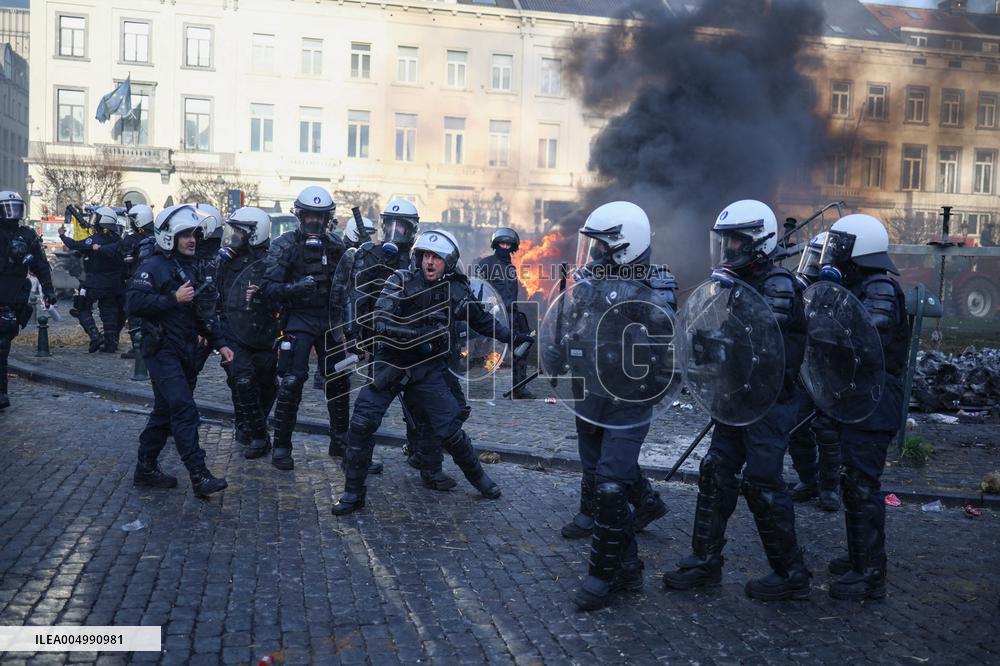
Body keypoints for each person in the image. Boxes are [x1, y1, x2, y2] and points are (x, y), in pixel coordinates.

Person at [663, 199, 810, 601]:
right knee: (715, 470)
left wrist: (723, 341)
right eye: (725, 241)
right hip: (737, 397)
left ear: (759, 242)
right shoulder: (742, 285)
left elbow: (763, 343)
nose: (728, 249)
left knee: (762, 482)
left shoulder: (778, 286)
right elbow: (730, 336)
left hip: (769, 403)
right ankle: (705, 561)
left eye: (737, 241)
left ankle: (791, 573)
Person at [331, 229, 532, 515]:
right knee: (362, 424)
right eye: (426, 255)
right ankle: (352, 494)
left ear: (447, 262)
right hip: (390, 365)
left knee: (450, 427)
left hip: (426, 369)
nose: (430, 262)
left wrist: (513, 336)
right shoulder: (399, 280)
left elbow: (482, 320)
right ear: (418, 257)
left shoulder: (457, 289)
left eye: (436, 257)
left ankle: (480, 479)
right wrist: (421, 333)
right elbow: (380, 319)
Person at [541, 201, 678, 611]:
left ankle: (603, 577)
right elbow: (573, 326)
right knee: (601, 474)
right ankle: (630, 566)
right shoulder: (589, 281)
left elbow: (665, 347)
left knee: (612, 486)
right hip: (591, 393)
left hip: (629, 401)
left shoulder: (656, 285)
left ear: (624, 246)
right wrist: (558, 349)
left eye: (601, 247)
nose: (593, 254)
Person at [816, 214, 910, 601]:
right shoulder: (861, 284)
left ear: (860, 250)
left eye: (840, 248)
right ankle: (860, 555)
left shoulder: (881, 289)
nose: (833, 254)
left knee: (862, 485)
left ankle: (870, 573)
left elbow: (866, 335)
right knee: (852, 482)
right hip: (857, 398)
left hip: (875, 401)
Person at [126, 205, 233, 497]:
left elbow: (203, 312)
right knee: (184, 410)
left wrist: (221, 343)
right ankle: (199, 476)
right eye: (185, 234)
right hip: (161, 351)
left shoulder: (190, 267)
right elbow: (134, 302)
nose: (191, 239)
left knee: (164, 412)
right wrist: (172, 298)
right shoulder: (153, 267)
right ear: (169, 236)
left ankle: (145, 469)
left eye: (194, 234)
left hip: (184, 350)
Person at [329, 200, 422, 473]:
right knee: (369, 406)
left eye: (402, 226)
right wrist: (351, 333)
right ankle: (358, 458)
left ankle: (418, 451)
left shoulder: (419, 258)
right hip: (374, 339)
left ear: (412, 229)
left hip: (407, 339)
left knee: (416, 401)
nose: (396, 231)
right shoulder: (367, 253)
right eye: (391, 225)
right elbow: (348, 294)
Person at [261, 186, 349, 470]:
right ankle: (282, 446)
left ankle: (340, 442)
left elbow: (350, 282)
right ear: (300, 215)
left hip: (330, 320)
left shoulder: (336, 246)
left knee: (338, 382)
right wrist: (295, 288)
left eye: (319, 217)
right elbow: (268, 288)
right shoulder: (284, 245)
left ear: (328, 218)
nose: (314, 222)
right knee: (291, 381)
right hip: (298, 318)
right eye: (309, 216)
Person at [217, 207, 278, 459]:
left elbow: (281, 296)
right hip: (234, 330)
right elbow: (217, 295)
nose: (233, 236)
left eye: (239, 231)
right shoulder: (226, 261)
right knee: (240, 380)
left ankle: (251, 424)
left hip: (263, 333)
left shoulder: (272, 262)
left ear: (254, 234)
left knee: (266, 384)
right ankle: (258, 435)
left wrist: (264, 295)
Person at [788, 231, 841, 512]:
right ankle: (808, 479)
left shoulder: (845, 293)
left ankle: (830, 487)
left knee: (827, 430)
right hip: (805, 368)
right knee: (796, 425)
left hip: (834, 372)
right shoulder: (801, 292)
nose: (815, 268)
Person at [0, 191, 55, 409]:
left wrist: (49, 291)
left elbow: (41, 266)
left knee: (4, 343)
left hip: (14, 294)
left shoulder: (28, 234)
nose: (12, 212)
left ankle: (2, 392)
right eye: (7, 207)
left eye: (15, 207)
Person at [473, 227, 535, 398]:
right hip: (492, 316)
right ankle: (475, 386)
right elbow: (477, 289)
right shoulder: (485, 264)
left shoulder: (511, 268)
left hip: (511, 314)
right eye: (502, 242)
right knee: (479, 351)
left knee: (524, 343)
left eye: (508, 243)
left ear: (513, 246)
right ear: (495, 244)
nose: (505, 246)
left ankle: (519, 387)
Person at [60, 206, 126, 353]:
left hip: (94, 283)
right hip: (113, 284)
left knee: (82, 307)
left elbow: (75, 245)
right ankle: (111, 343)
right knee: (109, 312)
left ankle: (95, 336)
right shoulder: (118, 240)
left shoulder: (95, 240)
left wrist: (62, 236)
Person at [118, 204, 155, 359]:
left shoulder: (133, 239)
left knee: (134, 313)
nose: (132, 222)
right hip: (152, 280)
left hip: (136, 280)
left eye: (133, 219)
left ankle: (138, 346)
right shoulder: (156, 236)